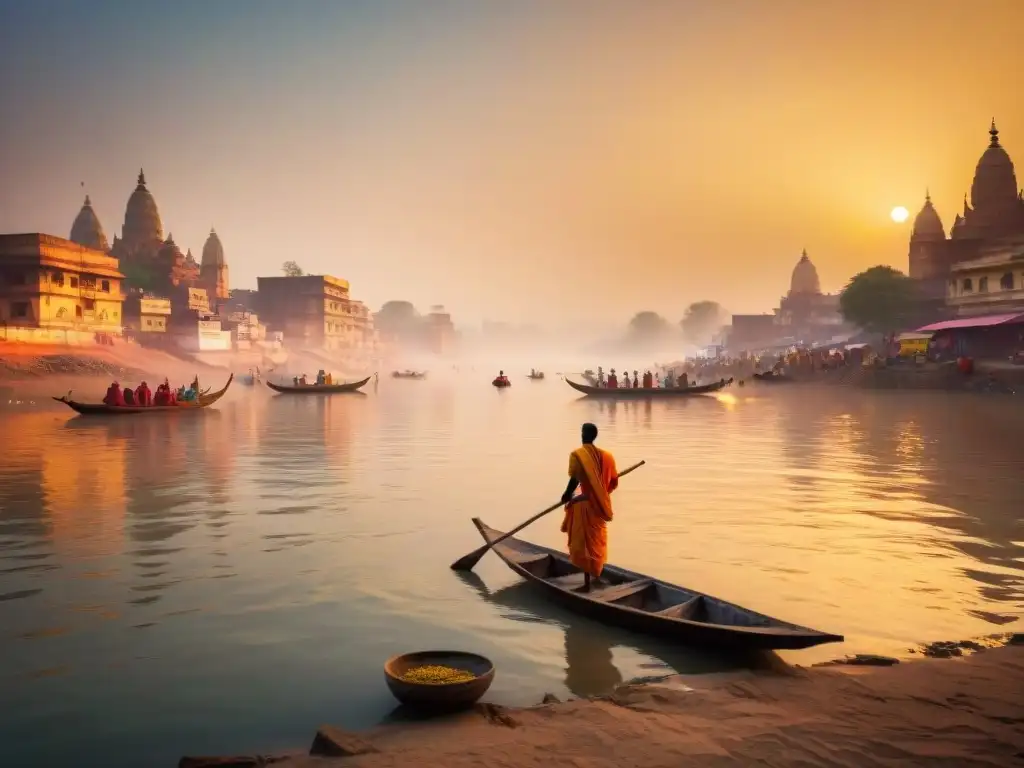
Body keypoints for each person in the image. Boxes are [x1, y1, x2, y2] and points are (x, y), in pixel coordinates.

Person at [559, 422, 619, 592]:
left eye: (582, 431)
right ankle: (597, 577)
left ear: (584, 434)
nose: (582, 434)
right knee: (597, 543)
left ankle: (586, 585)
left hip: (585, 504)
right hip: (600, 505)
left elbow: (575, 479)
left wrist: (566, 495)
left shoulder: (578, 455)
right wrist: (600, 494)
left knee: (585, 544)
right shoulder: (607, 456)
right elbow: (613, 482)